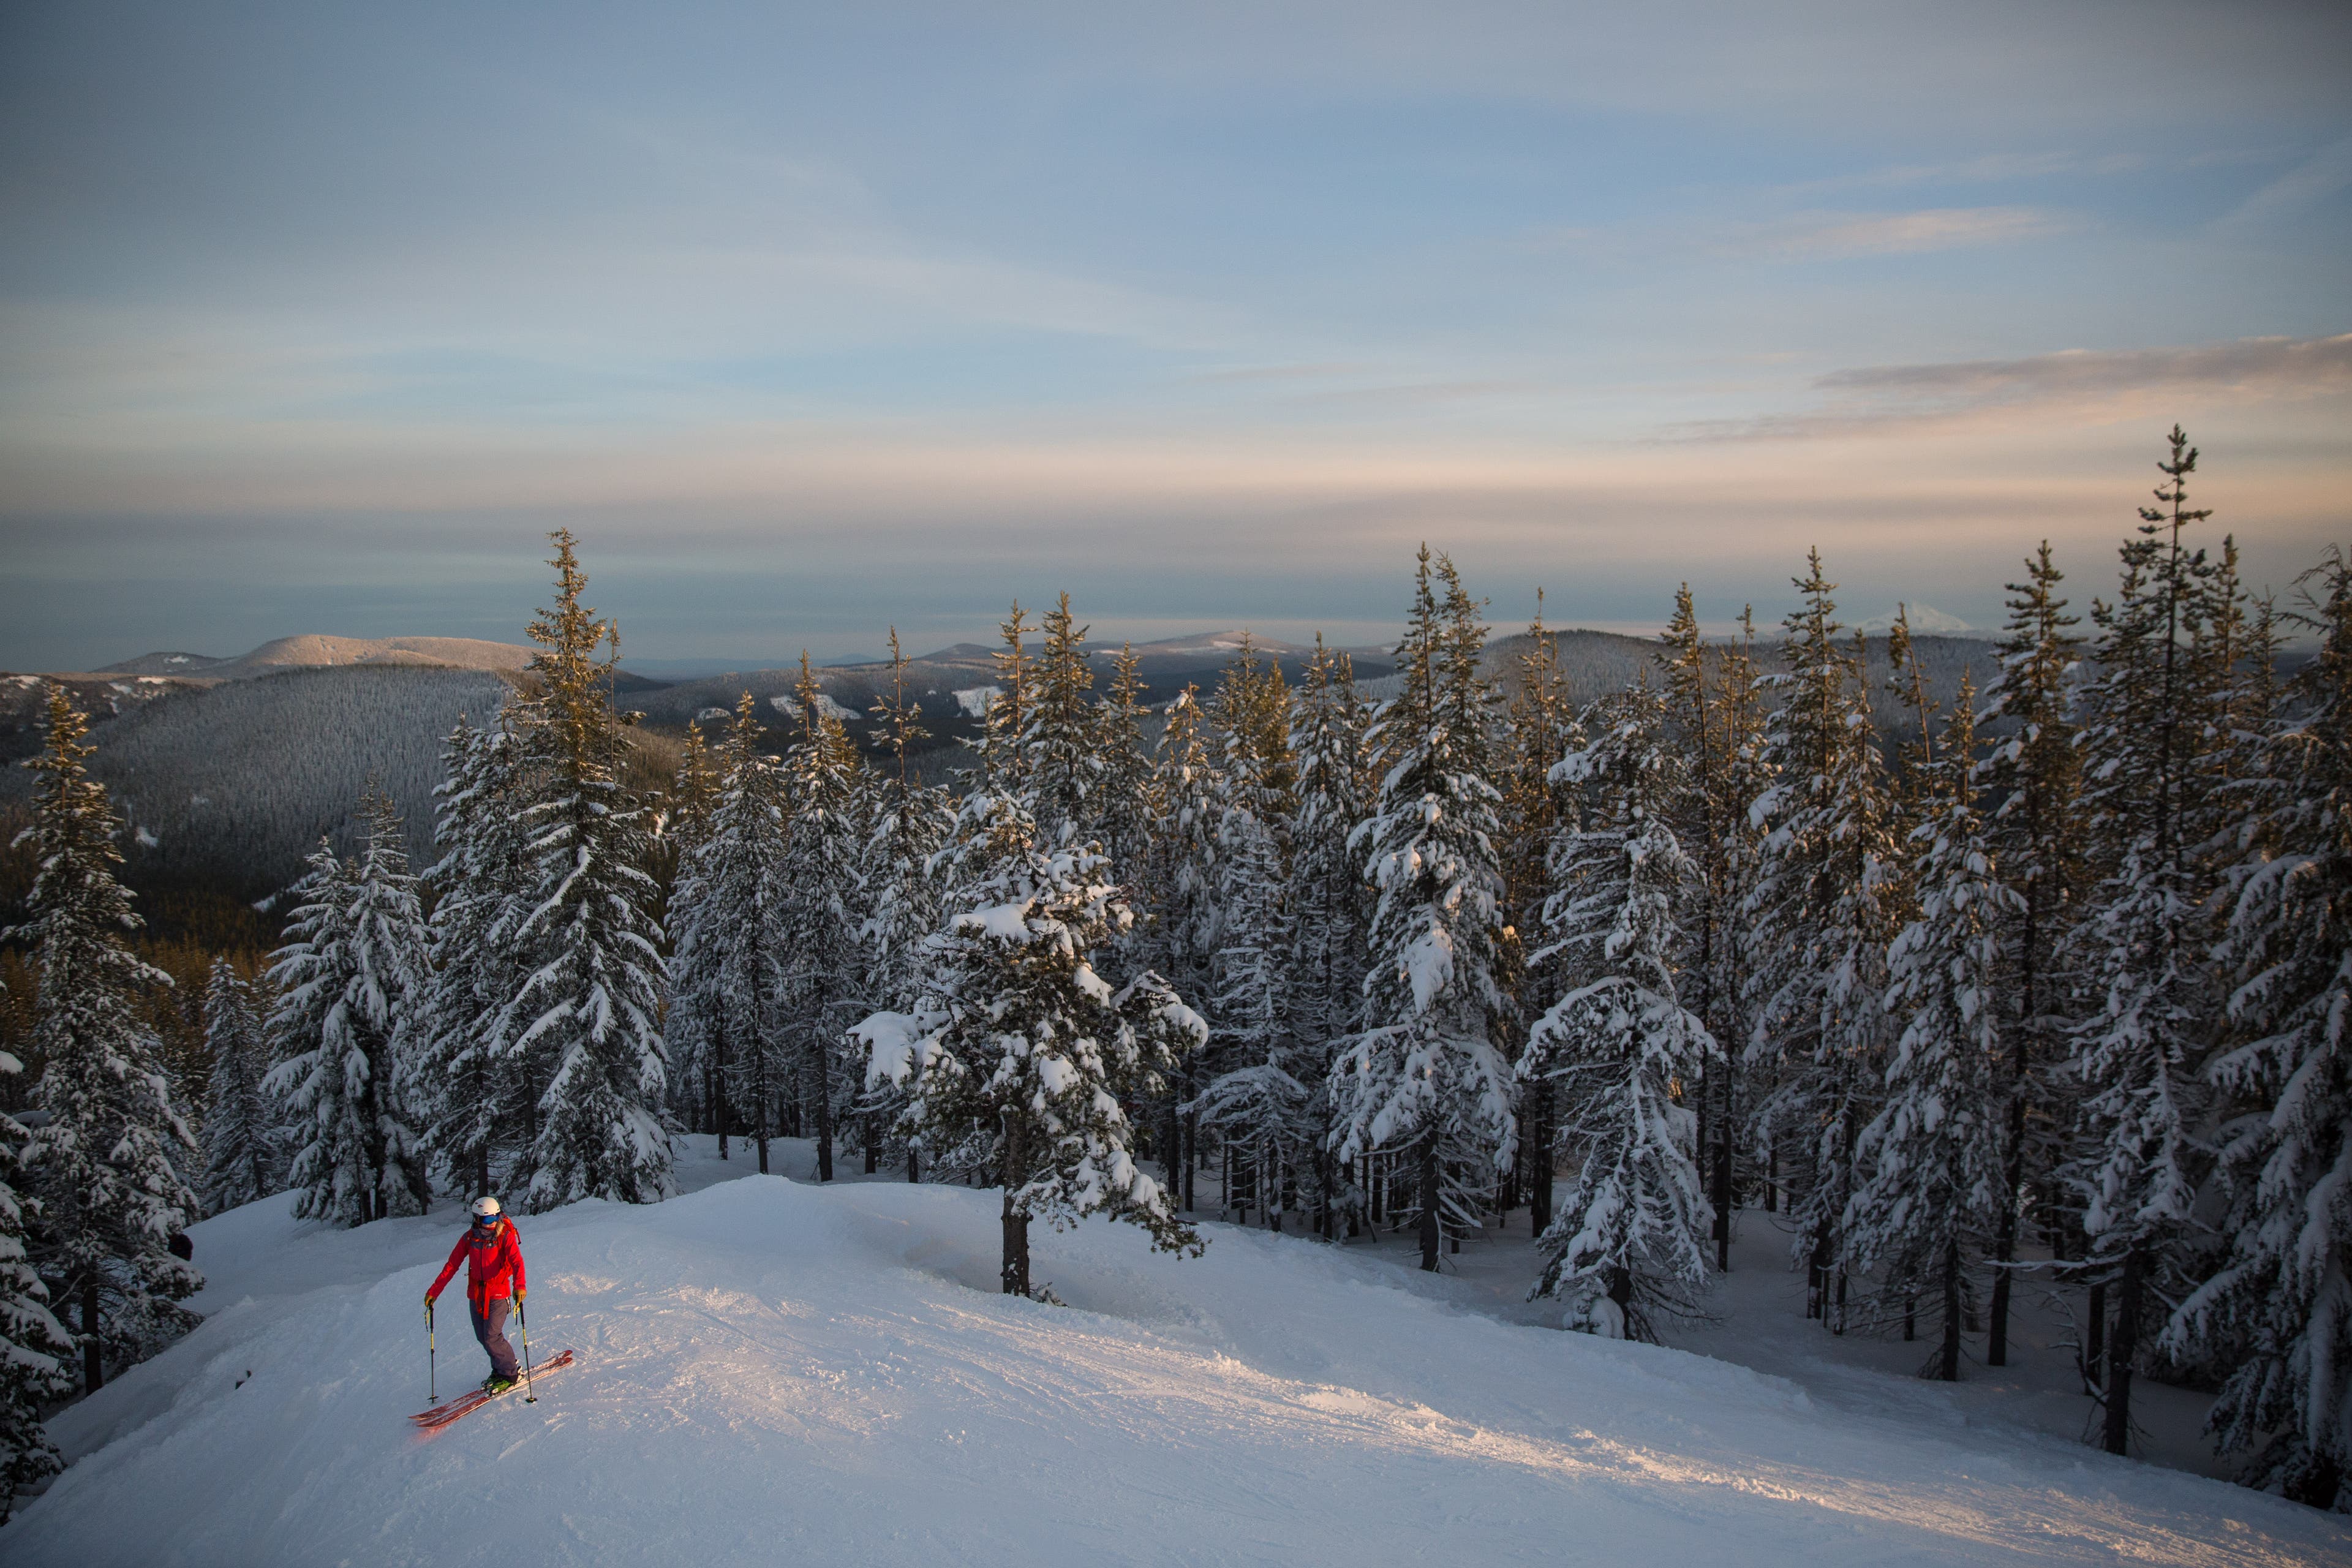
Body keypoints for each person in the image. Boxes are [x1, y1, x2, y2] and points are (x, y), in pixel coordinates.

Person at [426, 1196, 528, 1393]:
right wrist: (434, 1292)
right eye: (484, 1219)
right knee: (483, 1337)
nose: (489, 1223)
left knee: (492, 1336)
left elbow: (518, 1262)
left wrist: (520, 1286)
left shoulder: (504, 1236)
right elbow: (451, 1266)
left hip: (498, 1294)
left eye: (491, 1218)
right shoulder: (470, 1238)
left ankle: (510, 1373)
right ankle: (500, 1368)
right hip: (476, 1295)